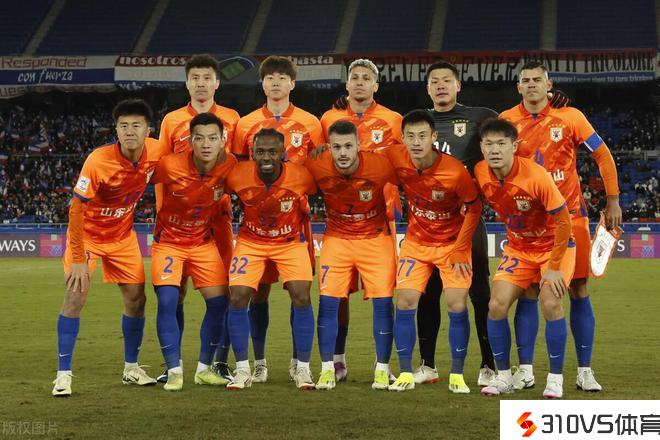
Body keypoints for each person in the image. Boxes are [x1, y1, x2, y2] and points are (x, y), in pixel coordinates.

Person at [500, 61, 621, 392]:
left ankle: (584, 371)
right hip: (529, 222)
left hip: (571, 217)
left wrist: (612, 200)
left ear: (549, 84)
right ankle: (525, 370)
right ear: (518, 87)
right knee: (529, 291)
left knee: (578, 288)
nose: (532, 85)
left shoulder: (571, 116)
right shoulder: (506, 121)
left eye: (537, 80)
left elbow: (603, 155)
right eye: (526, 80)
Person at [52, 99, 166, 396]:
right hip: (88, 237)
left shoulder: (158, 151)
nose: (130, 131)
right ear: (116, 130)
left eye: (136, 125)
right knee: (75, 296)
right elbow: (76, 209)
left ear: (148, 130)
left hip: (122, 237)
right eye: (123, 126)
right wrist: (78, 258)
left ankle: (131, 368)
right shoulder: (98, 160)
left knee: (137, 300)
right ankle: (63, 375)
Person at [231, 55, 323, 382]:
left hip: (295, 224)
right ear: (263, 83)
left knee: (300, 293)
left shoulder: (311, 123)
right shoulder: (246, 124)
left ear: (292, 83)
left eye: (282, 78)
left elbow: (320, 168)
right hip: (256, 224)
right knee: (257, 293)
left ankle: (299, 363)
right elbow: (239, 171)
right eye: (270, 77)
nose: (276, 83)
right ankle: (258, 363)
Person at [475, 118, 574, 399]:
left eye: (501, 143)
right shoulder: (481, 171)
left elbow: (564, 221)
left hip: (554, 247)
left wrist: (554, 267)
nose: (495, 150)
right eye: (489, 144)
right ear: (481, 147)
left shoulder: (536, 176)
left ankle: (555, 379)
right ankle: (504, 377)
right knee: (496, 305)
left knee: (551, 302)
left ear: (514, 146)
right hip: (519, 248)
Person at [384, 110, 481, 393]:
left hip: (451, 245)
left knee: (457, 304)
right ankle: (405, 372)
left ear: (433, 137)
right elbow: (362, 156)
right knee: (405, 301)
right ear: (402, 138)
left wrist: (461, 248)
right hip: (416, 243)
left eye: (422, 136)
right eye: (410, 136)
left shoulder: (454, 171)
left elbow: (474, 208)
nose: (416, 142)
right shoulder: (394, 156)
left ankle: (457, 375)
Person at [157, 54, 240, 383]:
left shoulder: (232, 118)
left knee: (227, 291)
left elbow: (239, 165)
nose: (201, 83)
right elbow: (163, 171)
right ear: (187, 83)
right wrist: (164, 214)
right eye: (195, 78)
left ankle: (218, 362)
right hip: (177, 224)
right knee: (173, 293)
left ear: (217, 83)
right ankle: (172, 364)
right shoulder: (172, 120)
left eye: (207, 78)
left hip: (219, 219)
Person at [319, 59, 402, 381]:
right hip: (339, 225)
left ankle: (383, 366)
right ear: (347, 84)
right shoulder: (329, 119)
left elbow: (402, 162)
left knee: (383, 297)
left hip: (379, 221)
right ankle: (337, 361)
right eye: (354, 77)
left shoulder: (392, 120)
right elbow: (318, 158)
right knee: (337, 298)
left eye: (367, 78)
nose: (360, 82)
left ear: (376, 85)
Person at [415, 61, 497, 386]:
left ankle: (489, 364)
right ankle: (427, 365)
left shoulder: (479, 117)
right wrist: (346, 107)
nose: (440, 86)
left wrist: (551, 101)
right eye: (434, 81)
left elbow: (515, 128)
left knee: (480, 294)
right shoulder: (418, 121)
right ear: (427, 88)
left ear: (458, 85)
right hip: (430, 225)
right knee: (428, 293)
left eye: (446, 80)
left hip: (468, 221)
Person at [305, 120, 397, 391]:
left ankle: (382, 369)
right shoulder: (316, 164)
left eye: (348, 146)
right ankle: (327, 369)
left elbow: (413, 180)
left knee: (383, 304)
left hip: (375, 238)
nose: (343, 152)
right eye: (336, 147)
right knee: (328, 303)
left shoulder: (381, 165)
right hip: (337, 238)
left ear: (359, 145)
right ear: (328, 147)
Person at [225, 128, 316, 390]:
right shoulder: (237, 174)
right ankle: (246, 369)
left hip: (289, 242)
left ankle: (302, 368)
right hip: (251, 241)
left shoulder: (301, 175)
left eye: (272, 151)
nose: (266, 157)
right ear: (252, 153)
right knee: (238, 296)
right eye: (260, 151)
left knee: (301, 296)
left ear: (282, 153)